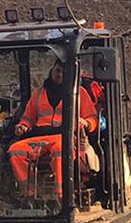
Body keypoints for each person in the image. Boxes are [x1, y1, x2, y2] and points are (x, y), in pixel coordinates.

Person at [8, 61, 98, 193]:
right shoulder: (38, 94)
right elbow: (28, 118)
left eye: (63, 72)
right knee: (15, 150)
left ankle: (61, 195)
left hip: (64, 137)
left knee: (60, 150)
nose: (60, 74)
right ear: (52, 70)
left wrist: (86, 123)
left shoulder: (79, 94)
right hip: (39, 137)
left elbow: (93, 118)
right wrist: (23, 126)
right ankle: (30, 193)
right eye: (57, 70)